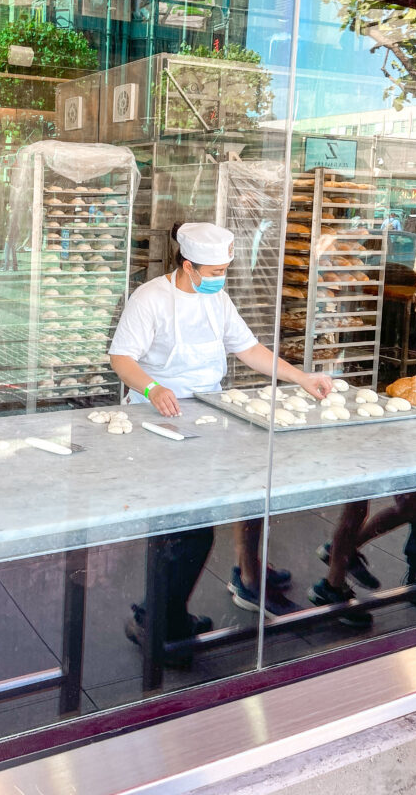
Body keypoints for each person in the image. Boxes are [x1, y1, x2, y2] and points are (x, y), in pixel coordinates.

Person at [109, 222, 334, 654]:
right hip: (157, 420)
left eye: (223, 270)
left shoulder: (218, 300)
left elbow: (247, 349)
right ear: (188, 265)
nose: (218, 278)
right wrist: (153, 389)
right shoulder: (151, 298)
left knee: (191, 527)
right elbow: (122, 357)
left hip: (207, 417)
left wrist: (300, 378)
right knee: (185, 530)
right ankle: (156, 620)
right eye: (211, 271)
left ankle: (164, 615)